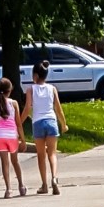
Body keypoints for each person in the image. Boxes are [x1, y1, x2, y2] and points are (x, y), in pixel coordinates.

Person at [22, 59, 68, 194]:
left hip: (38, 123)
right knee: (52, 153)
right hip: (51, 121)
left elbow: (27, 108)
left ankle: (44, 185)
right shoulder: (52, 89)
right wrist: (63, 124)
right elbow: (58, 108)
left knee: (41, 155)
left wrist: (19, 121)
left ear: (35, 76)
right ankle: (54, 178)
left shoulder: (30, 90)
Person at [0, 77, 26, 198]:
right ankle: (21, 186)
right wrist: (23, 140)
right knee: (15, 162)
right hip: (12, 136)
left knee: (5, 163)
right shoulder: (14, 103)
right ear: (10, 89)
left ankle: (8, 189)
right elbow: (18, 123)